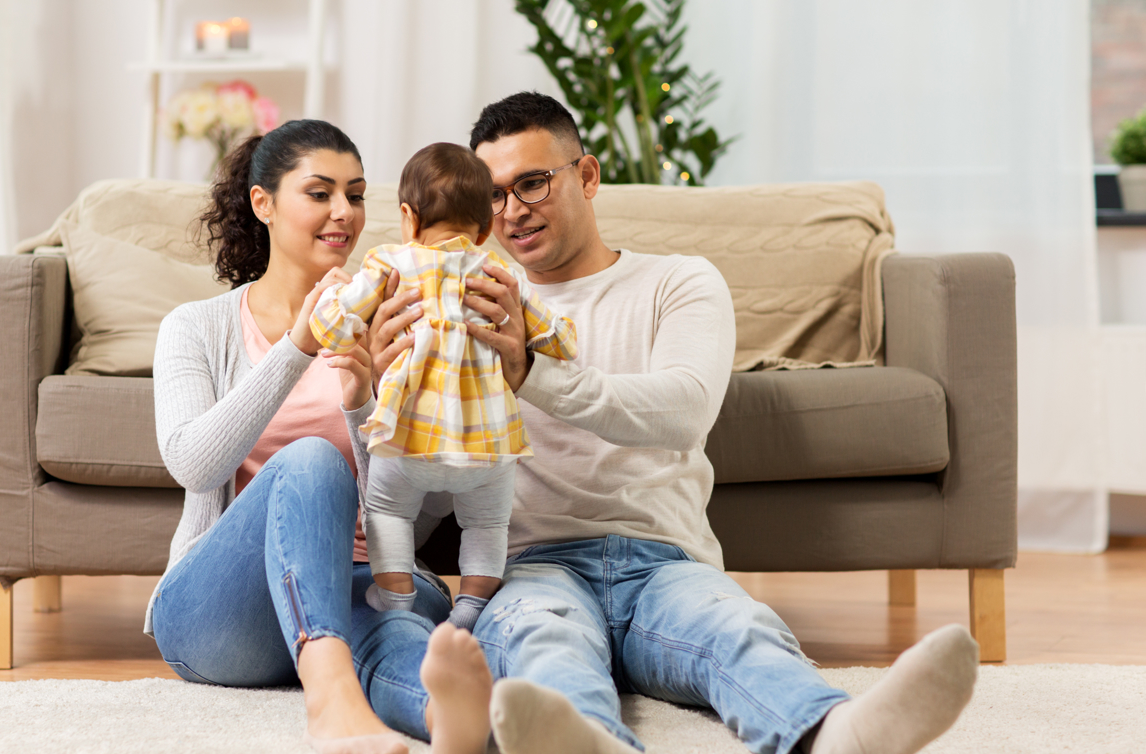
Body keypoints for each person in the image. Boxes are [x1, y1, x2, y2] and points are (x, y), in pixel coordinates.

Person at [360, 93, 980, 754]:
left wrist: (531, 373)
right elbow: (420, 486)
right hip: (535, 564)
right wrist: (375, 394)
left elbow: (683, 411)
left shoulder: (678, 282)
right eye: (494, 196)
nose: (512, 211)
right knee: (539, 643)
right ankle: (591, 743)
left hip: (665, 559)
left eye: (532, 183)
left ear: (588, 176)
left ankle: (834, 732)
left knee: (733, 627)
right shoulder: (463, 302)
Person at [147, 120, 495, 754]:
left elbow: (428, 513)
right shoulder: (195, 328)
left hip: (360, 584)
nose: (344, 213)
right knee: (308, 459)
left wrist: (374, 401)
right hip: (224, 614)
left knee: (404, 643)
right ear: (264, 204)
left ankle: (471, 728)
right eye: (320, 193)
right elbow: (194, 465)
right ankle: (331, 704)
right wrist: (296, 348)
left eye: (357, 195)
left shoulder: (395, 319)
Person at [310, 142, 577, 631]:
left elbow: (331, 323)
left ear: (409, 217)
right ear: (483, 228)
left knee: (388, 513)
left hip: (411, 437)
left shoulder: (389, 263)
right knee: (487, 524)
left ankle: (395, 597)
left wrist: (332, 299)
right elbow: (560, 337)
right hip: (488, 444)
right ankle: (471, 607)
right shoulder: (501, 275)